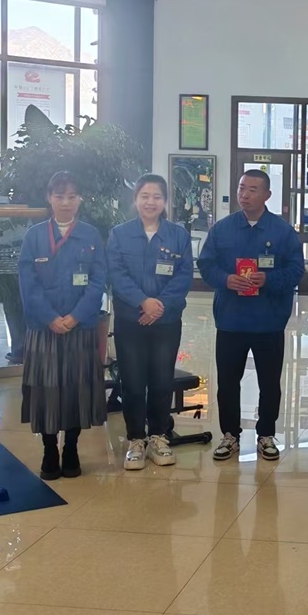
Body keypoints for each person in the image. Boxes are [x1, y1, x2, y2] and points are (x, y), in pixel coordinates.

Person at [198, 169, 304, 462]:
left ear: (267, 195)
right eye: (241, 188)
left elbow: (296, 270)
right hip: (231, 320)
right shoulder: (222, 229)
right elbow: (206, 265)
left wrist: (269, 279)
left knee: (269, 382)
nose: (244, 195)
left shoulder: (282, 232)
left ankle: (266, 434)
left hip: (268, 321)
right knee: (227, 382)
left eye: (252, 190)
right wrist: (226, 279)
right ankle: (230, 435)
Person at [18, 171, 107, 480]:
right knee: (46, 391)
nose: (66, 202)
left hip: (79, 327)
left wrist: (75, 316)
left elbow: (97, 281)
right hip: (44, 329)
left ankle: (71, 448)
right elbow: (27, 284)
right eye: (59, 196)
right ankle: (49, 449)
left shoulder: (91, 235)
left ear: (79, 199)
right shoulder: (34, 236)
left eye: (71, 196)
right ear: (49, 198)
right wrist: (50, 318)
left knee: (76, 390)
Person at [107, 174, 193, 470]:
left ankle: (158, 436)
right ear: (136, 200)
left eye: (157, 196)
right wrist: (143, 302)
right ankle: (135, 439)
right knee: (132, 382)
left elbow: (183, 276)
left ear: (165, 202)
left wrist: (159, 306)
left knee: (161, 380)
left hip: (166, 321)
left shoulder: (178, 235)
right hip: (131, 320)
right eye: (145, 196)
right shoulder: (119, 234)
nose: (150, 202)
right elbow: (117, 274)